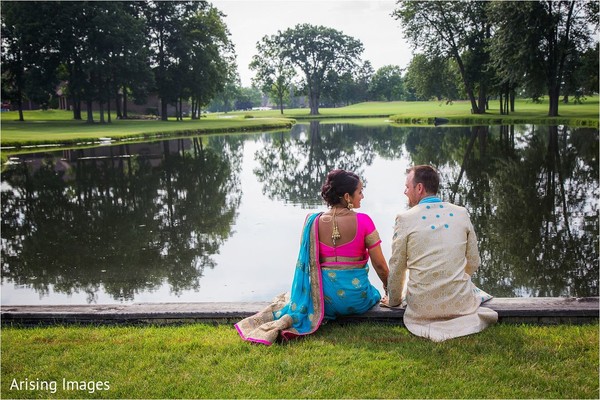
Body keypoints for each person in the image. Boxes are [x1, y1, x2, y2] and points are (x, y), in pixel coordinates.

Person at [235, 169, 389, 345]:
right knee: (374, 294)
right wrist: (388, 288)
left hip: (323, 303)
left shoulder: (312, 222)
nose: (362, 196)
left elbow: (307, 264)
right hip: (358, 299)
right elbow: (381, 266)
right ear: (347, 196)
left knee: (288, 298)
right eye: (360, 191)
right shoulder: (364, 221)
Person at [383, 165, 497, 342]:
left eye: (407, 186)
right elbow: (474, 262)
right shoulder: (461, 213)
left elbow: (397, 267)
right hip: (460, 303)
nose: (405, 191)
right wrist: (452, 278)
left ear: (419, 188)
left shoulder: (405, 219)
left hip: (422, 309)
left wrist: (394, 300)